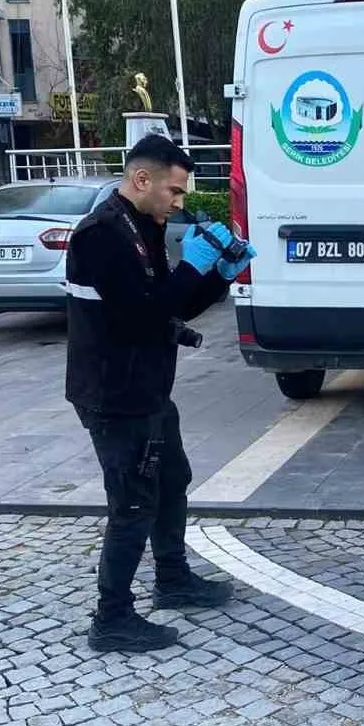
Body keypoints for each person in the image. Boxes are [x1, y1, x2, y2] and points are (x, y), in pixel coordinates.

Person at [65, 135, 251, 652]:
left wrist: (219, 276)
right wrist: (193, 265)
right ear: (141, 180)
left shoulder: (146, 225)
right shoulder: (100, 235)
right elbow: (137, 317)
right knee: (131, 503)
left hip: (147, 387)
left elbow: (170, 309)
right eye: (174, 191)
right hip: (114, 392)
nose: (179, 201)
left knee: (172, 480)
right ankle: (112, 618)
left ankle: (172, 578)